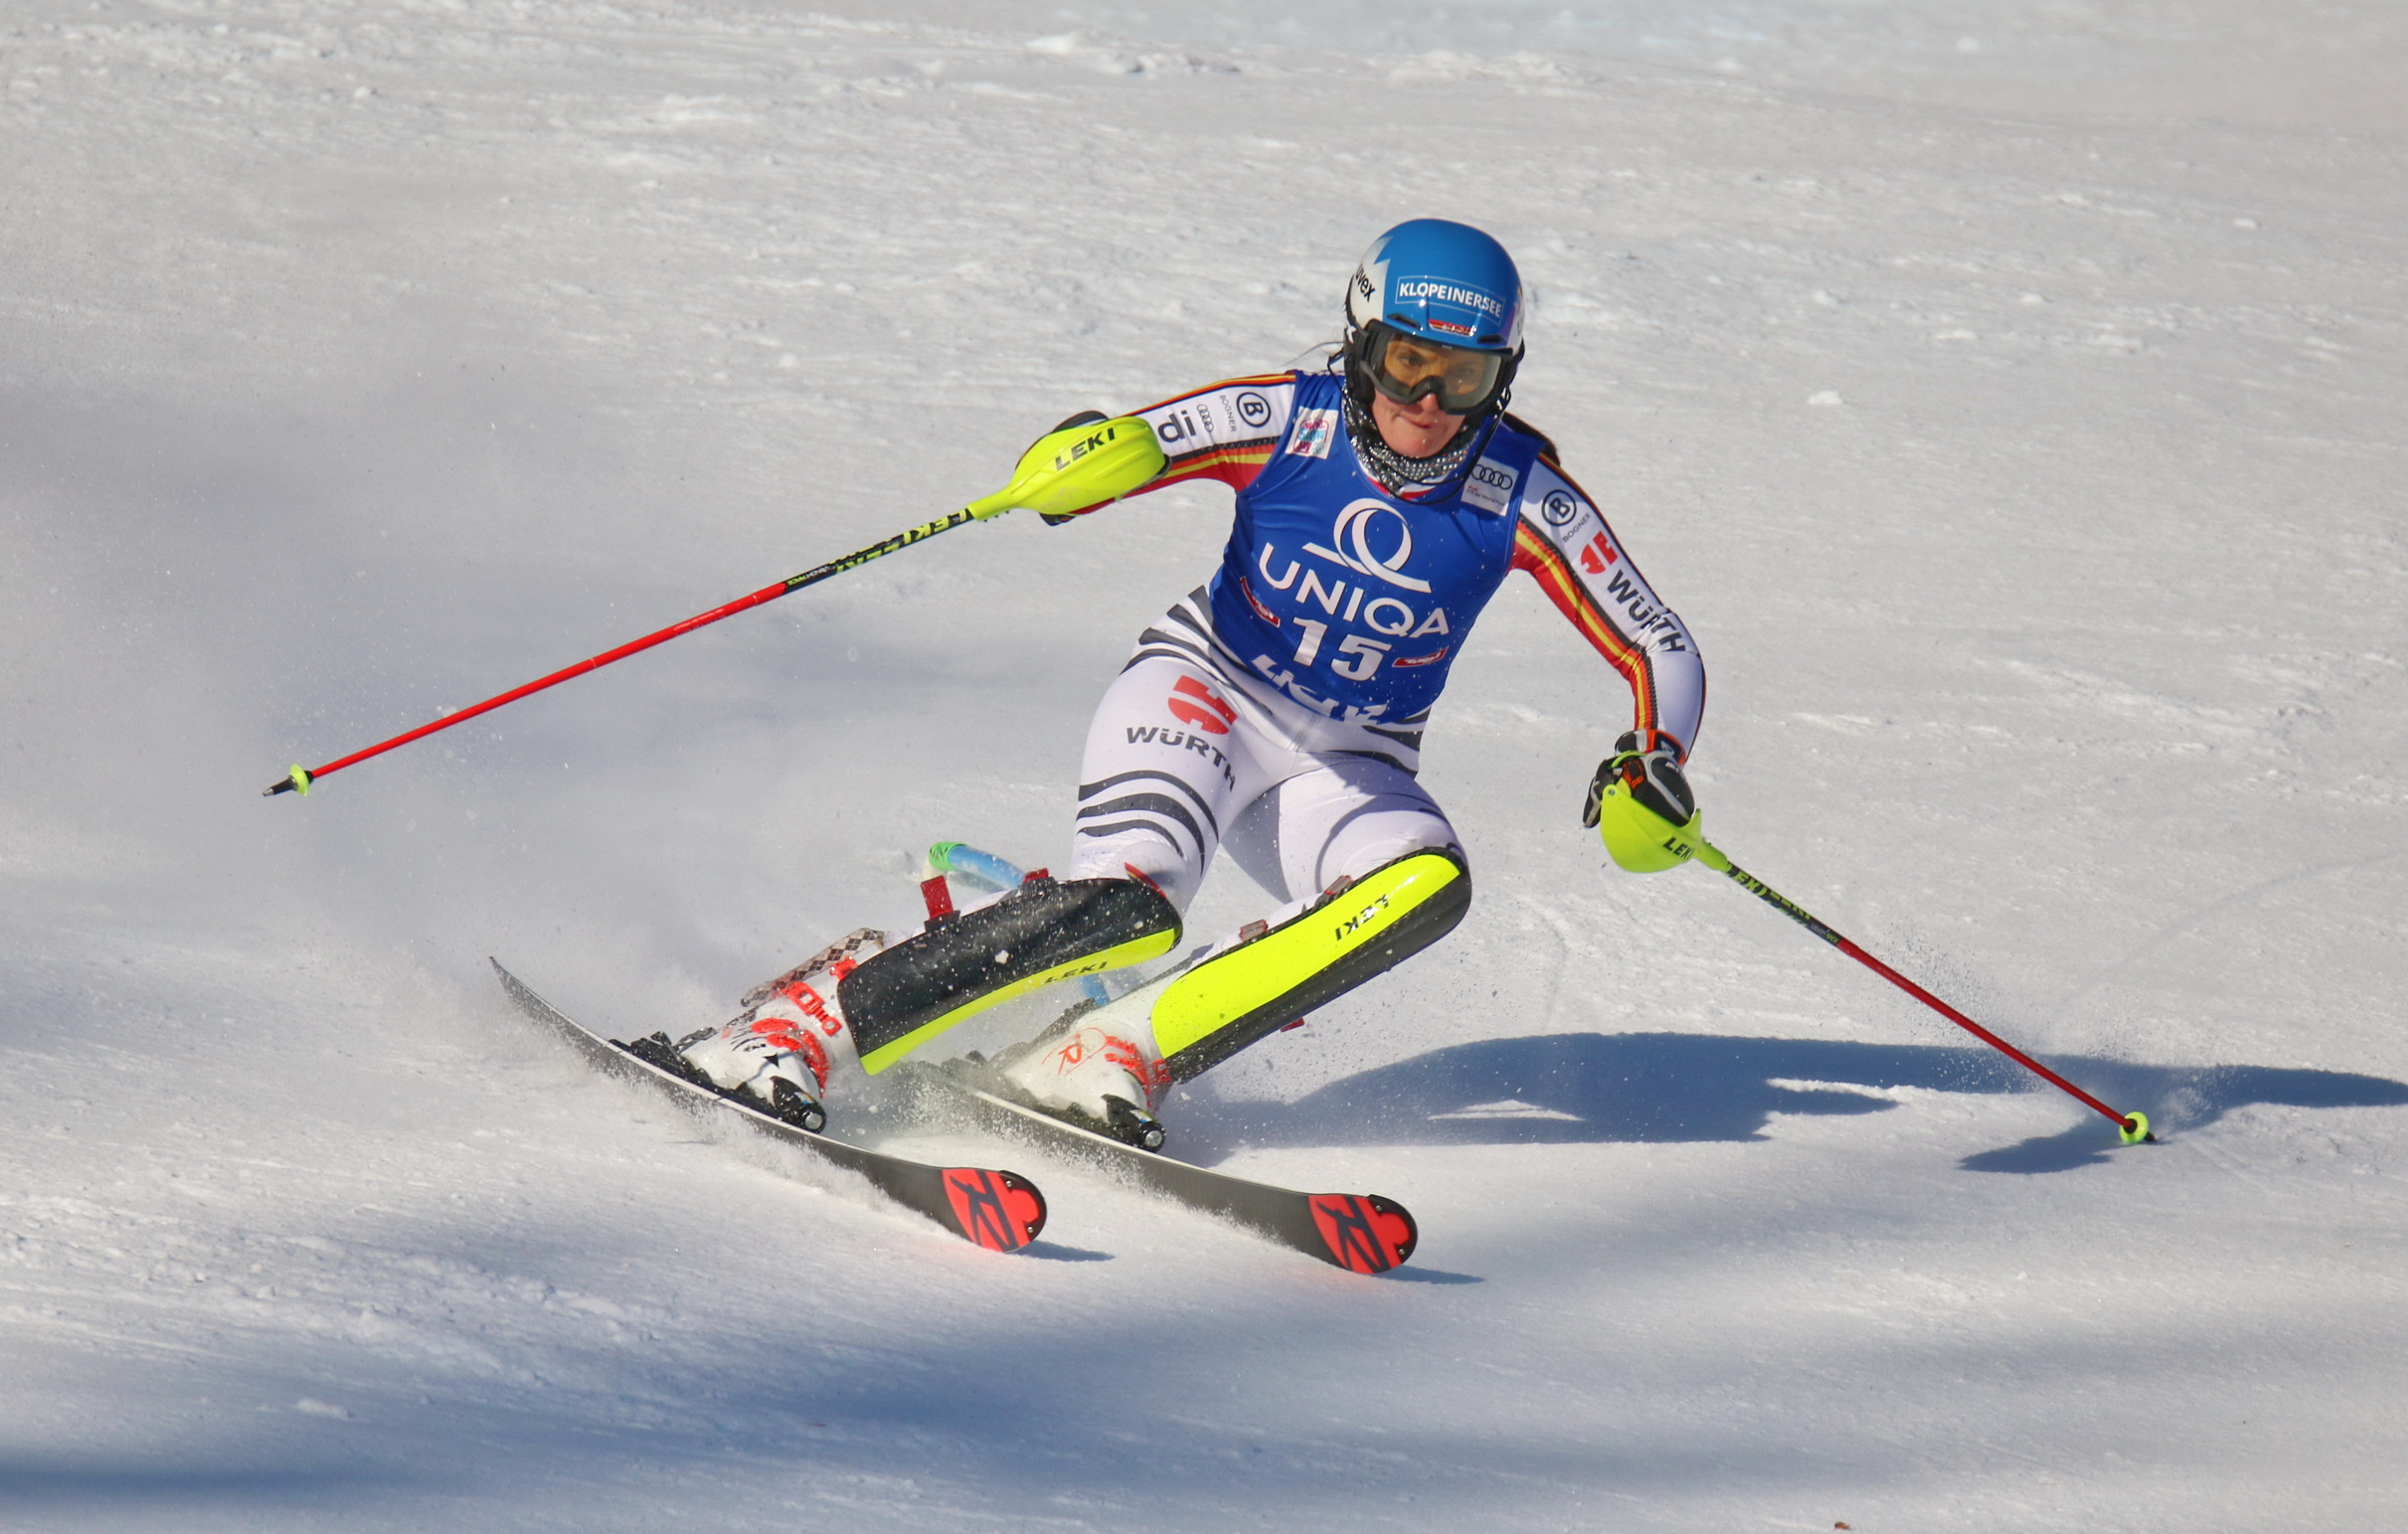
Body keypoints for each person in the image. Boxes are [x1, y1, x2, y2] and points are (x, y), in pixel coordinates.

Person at [655, 219, 1707, 1148]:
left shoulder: (1520, 492)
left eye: (1464, 379)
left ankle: (1114, 1048)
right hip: (1206, 691)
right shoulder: (1286, 416)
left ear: (1502, 379)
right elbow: (1143, 441)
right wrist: (1080, 463)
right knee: (1130, 903)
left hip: (1349, 761)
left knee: (1425, 883)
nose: (1427, 403)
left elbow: (1657, 641)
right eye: (1405, 363)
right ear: (1361, 344)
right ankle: (799, 1023)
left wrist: (1653, 758)